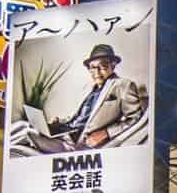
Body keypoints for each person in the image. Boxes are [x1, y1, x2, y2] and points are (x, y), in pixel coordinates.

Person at [10, 43, 147, 155]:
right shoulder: (90, 89)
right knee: (22, 125)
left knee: (27, 132)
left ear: (113, 65)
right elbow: (79, 118)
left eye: (103, 67)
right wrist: (58, 123)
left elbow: (135, 118)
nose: (97, 72)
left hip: (77, 145)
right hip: (64, 134)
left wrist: (106, 133)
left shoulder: (123, 85)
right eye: (93, 68)